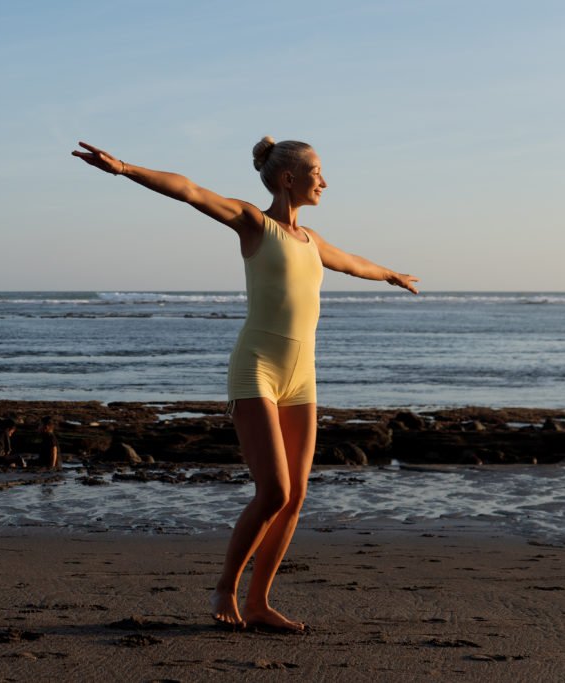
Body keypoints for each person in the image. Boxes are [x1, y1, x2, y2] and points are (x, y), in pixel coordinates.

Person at [72, 138, 419, 632]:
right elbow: (191, 191)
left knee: (296, 497)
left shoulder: (312, 240)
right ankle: (225, 586)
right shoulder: (256, 225)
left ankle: (259, 603)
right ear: (288, 179)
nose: (325, 181)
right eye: (317, 172)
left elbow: (353, 263)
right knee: (274, 491)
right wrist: (124, 168)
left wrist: (391, 275)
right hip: (256, 368)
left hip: (302, 378)